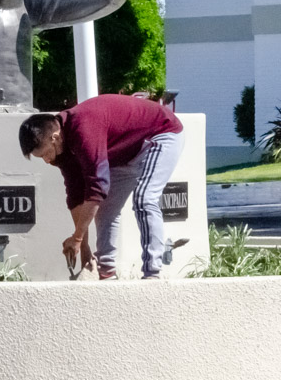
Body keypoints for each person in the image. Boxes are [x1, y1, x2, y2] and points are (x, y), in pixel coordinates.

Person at [18, 95, 184, 280]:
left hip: (159, 134)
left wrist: (78, 237)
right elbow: (76, 196)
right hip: (124, 153)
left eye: (46, 153)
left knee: (144, 199)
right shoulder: (62, 151)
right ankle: (106, 272)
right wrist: (83, 247)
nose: (47, 160)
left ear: (55, 137)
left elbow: (97, 187)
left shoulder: (83, 127)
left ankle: (152, 272)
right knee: (105, 209)